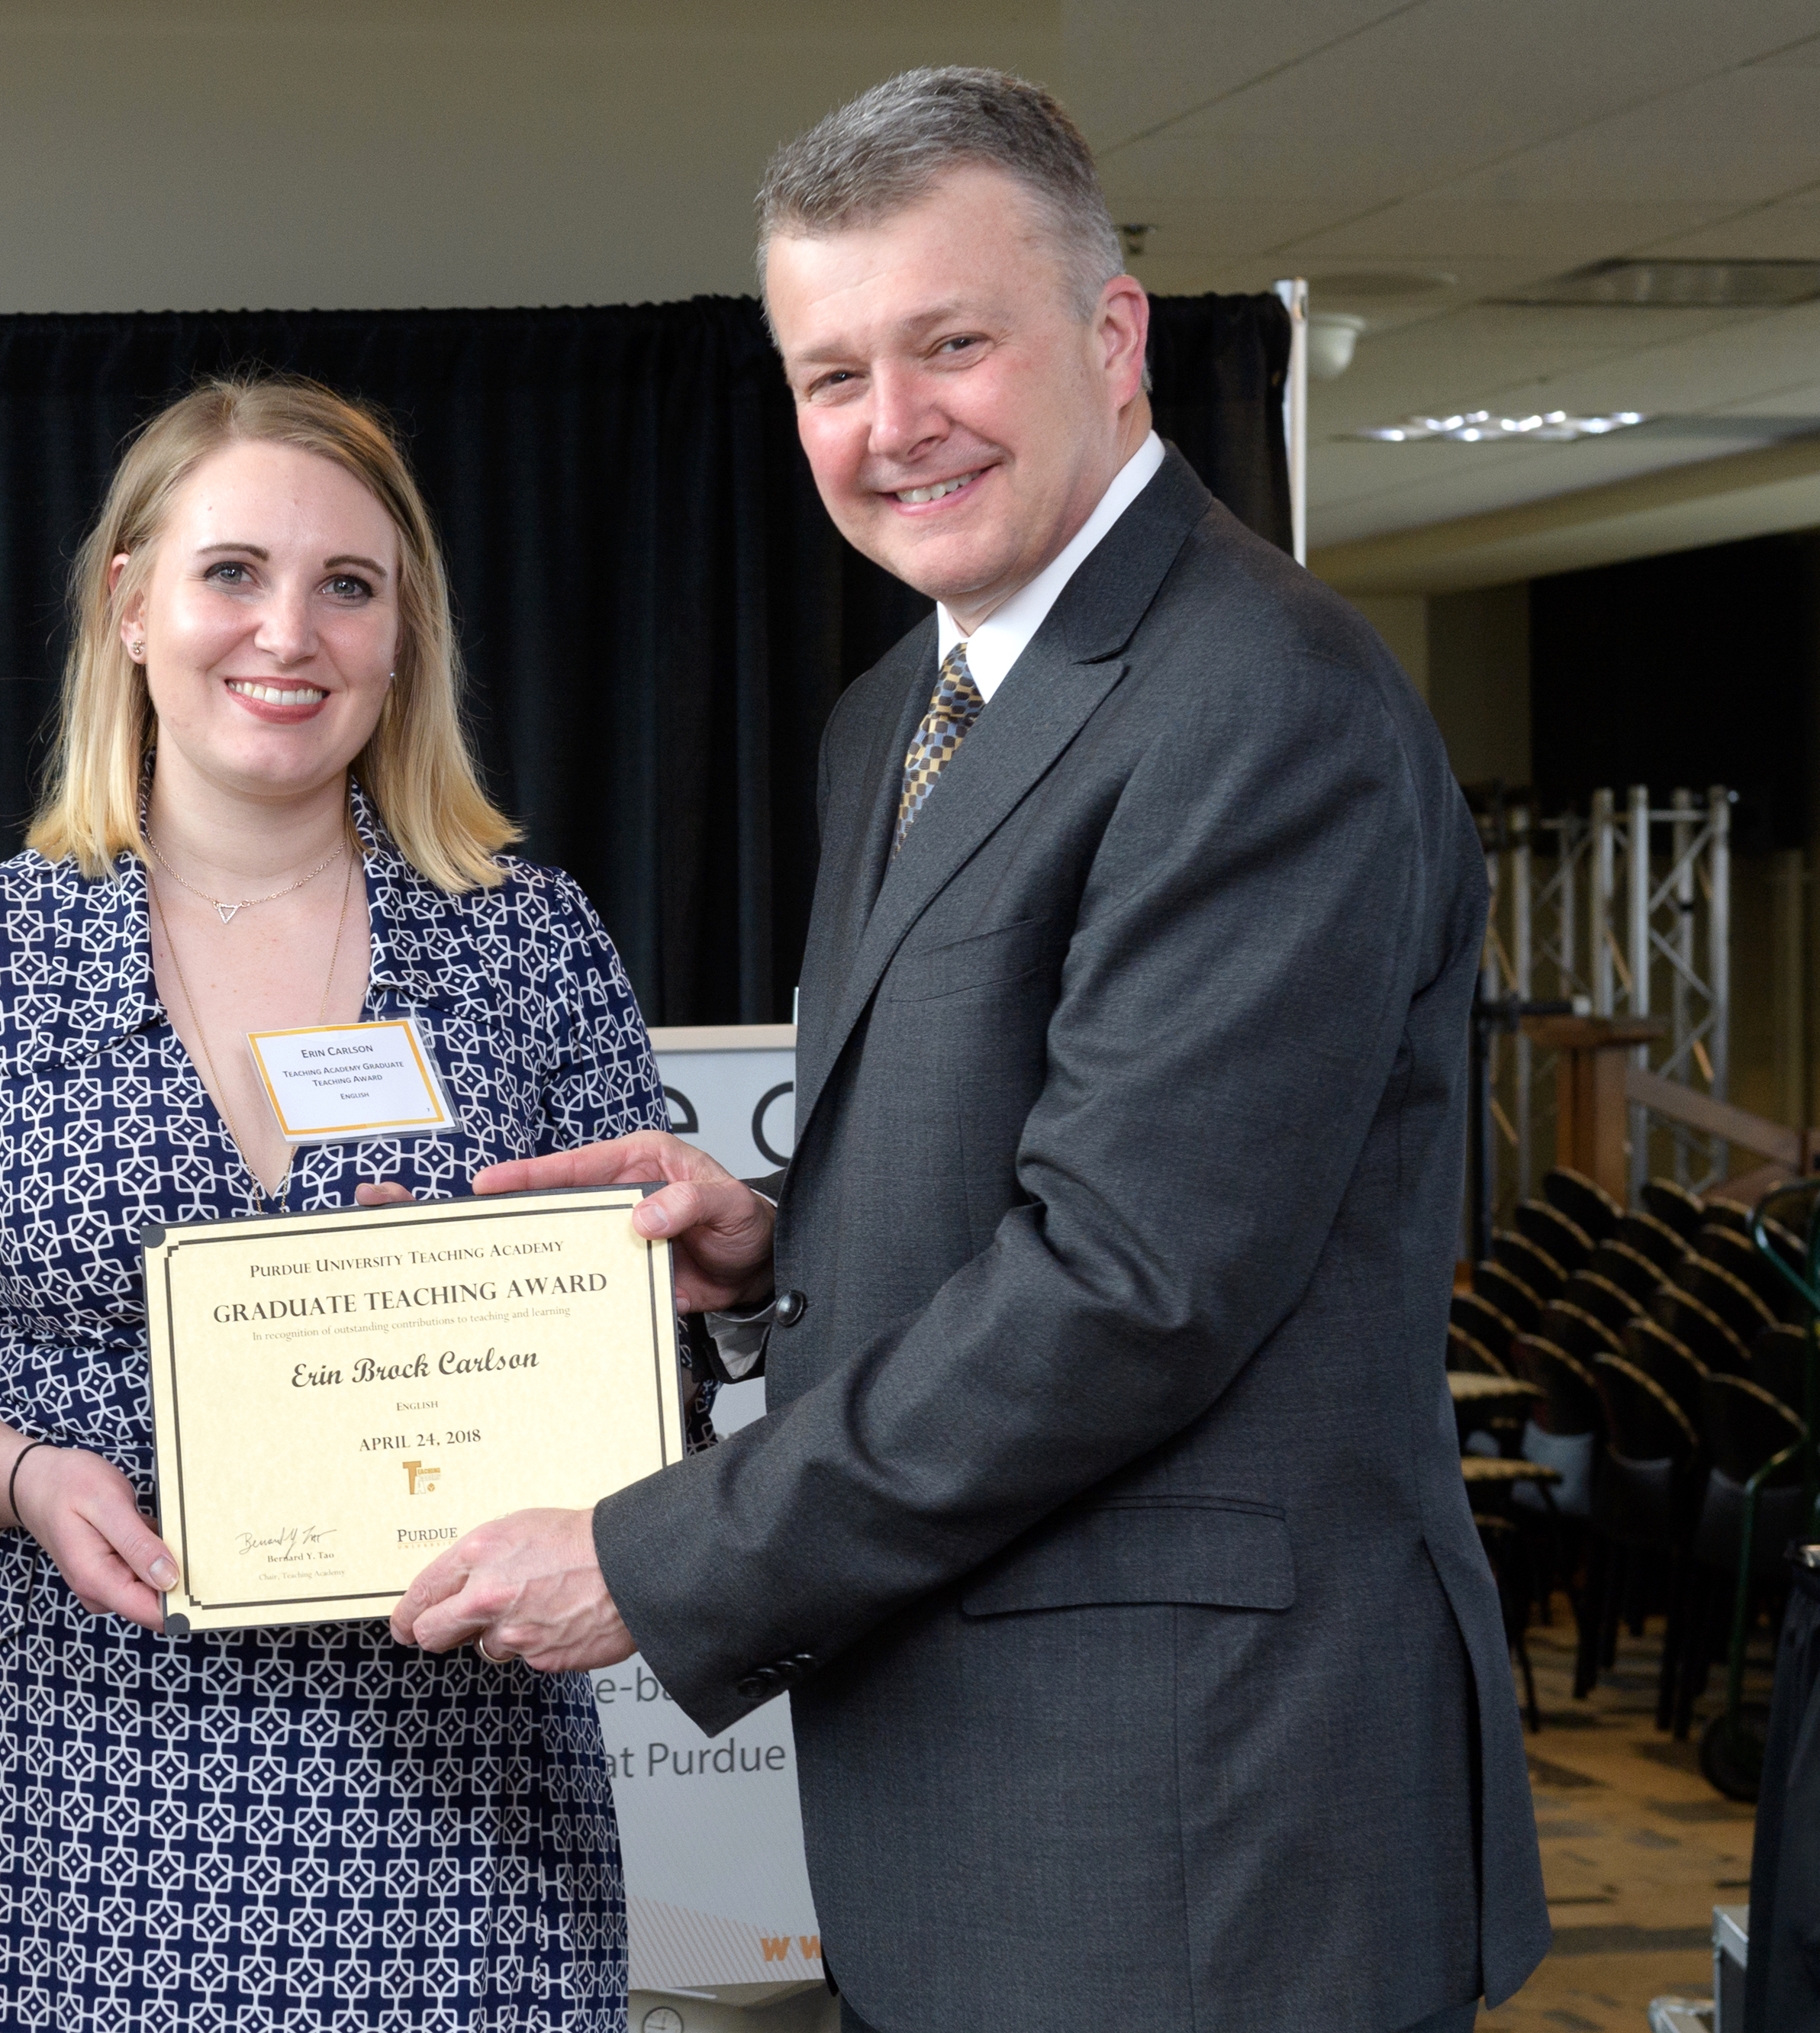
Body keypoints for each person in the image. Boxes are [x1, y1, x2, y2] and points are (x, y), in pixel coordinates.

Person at [387, 68, 1552, 2033]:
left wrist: (657, 1560)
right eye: (830, 372)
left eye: (951, 345)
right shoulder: (899, 719)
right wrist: (770, 1254)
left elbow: (1129, 1286)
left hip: (1200, 1822)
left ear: (1112, 341)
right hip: (1009, 1803)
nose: (890, 424)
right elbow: (1046, 1182)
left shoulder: (1258, 699)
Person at [0, 375, 672, 2027]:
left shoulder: (535, 948)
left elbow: (643, 1358)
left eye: (347, 585)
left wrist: (500, 1302)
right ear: (131, 607)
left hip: (453, 1832)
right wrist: (26, 1480)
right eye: (232, 572)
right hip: (52, 1818)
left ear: (403, 639)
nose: (287, 634)